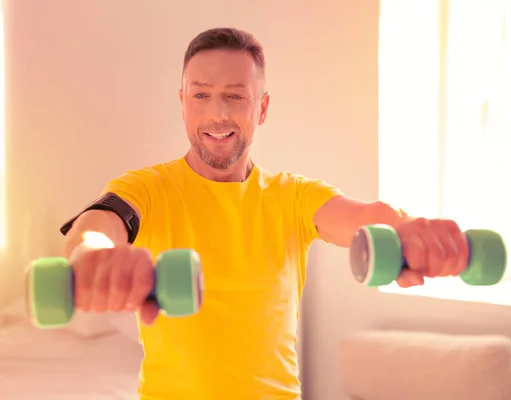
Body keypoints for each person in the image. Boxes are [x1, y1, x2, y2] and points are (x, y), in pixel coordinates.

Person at [61, 27, 470, 400]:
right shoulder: (148, 188)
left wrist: (405, 230)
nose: (217, 113)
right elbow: (99, 223)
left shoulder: (293, 196)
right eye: (201, 95)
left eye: (236, 96)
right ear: (183, 103)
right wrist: (94, 254)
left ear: (263, 107)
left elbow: (361, 217)